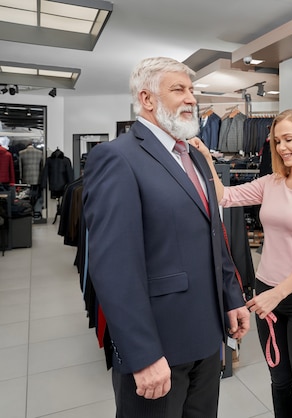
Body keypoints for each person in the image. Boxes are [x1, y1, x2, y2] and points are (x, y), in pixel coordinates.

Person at [82, 56, 250, 418]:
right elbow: (113, 268)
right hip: (159, 346)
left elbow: (212, 237)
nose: (191, 98)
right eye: (179, 89)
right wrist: (142, 354)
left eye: (192, 90)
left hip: (206, 339)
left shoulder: (197, 158)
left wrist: (231, 296)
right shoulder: (116, 158)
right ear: (147, 99)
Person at [191, 108, 292, 418]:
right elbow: (224, 196)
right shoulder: (271, 182)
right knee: (279, 380)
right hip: (266, 293)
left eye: (289, 139)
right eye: (277, 141)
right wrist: (206, 157)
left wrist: (278, 293)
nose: (282, 147)